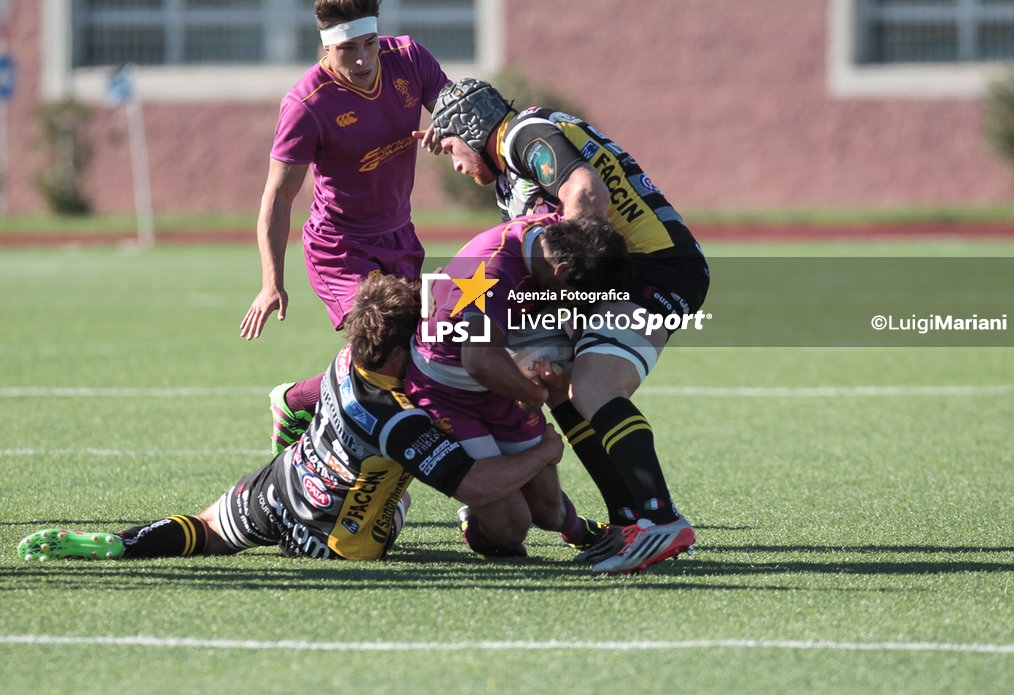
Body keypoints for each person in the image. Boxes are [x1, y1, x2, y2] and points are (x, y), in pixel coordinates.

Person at [18, 275, 566, 563]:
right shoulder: (403, 421)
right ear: (400, 353)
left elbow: (303, 396)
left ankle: (122, 543)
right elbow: (478, 483)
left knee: (207, 529)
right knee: (418, 497)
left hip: (283, 486)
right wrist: (545, 448)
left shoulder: (347, 359)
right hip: (340, 541)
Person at [426, 78, 711, 574]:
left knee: (593, 384)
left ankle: (661, 519)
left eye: (451, 148)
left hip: (653, 266)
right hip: (625, 270)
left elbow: (586, 190)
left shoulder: (521, 136)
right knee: (551, 380)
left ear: (471, 130)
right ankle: (627, 522)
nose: (454, 162)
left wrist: (573, 284)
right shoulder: (515, 159)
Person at [237, 0, 449, 454]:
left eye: (369, 44)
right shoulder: (306, 104)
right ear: (326, 46)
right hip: (341, 247)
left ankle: (295, 401)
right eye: (347, 48)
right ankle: (352, 455)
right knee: (387, 347)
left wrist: (446, 130)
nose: (362, 60)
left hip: (399, 236)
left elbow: (458, 114)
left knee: (414, 354)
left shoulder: (409, 58)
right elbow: (277, 197)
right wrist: (271, 281)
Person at [403, 212, 634, 563]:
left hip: (498, 375)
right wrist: (537, 394)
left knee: (548, 511)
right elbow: (478, 361)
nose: (572, 306)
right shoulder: (492, 273)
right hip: (447, 391)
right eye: (574, 295)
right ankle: (476, 523)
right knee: (512, 528)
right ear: (559, 272)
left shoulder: (553, 233)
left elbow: (586, 195)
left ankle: (576, 529)